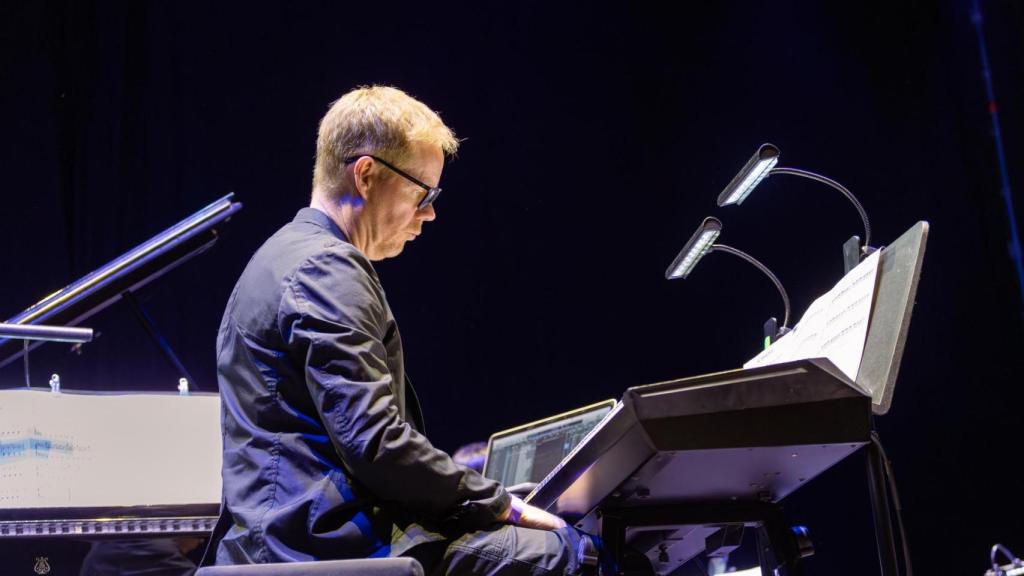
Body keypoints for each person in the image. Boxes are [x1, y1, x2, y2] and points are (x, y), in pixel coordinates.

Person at [213, 86, 594, 575]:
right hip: (323, 547)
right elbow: (376, 442)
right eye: (423, 193)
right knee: (574, 553)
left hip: (287, 538)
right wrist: (501, 504)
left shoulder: (279, 257)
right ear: (367, 174)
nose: (430, 213)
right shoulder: (325, 269)